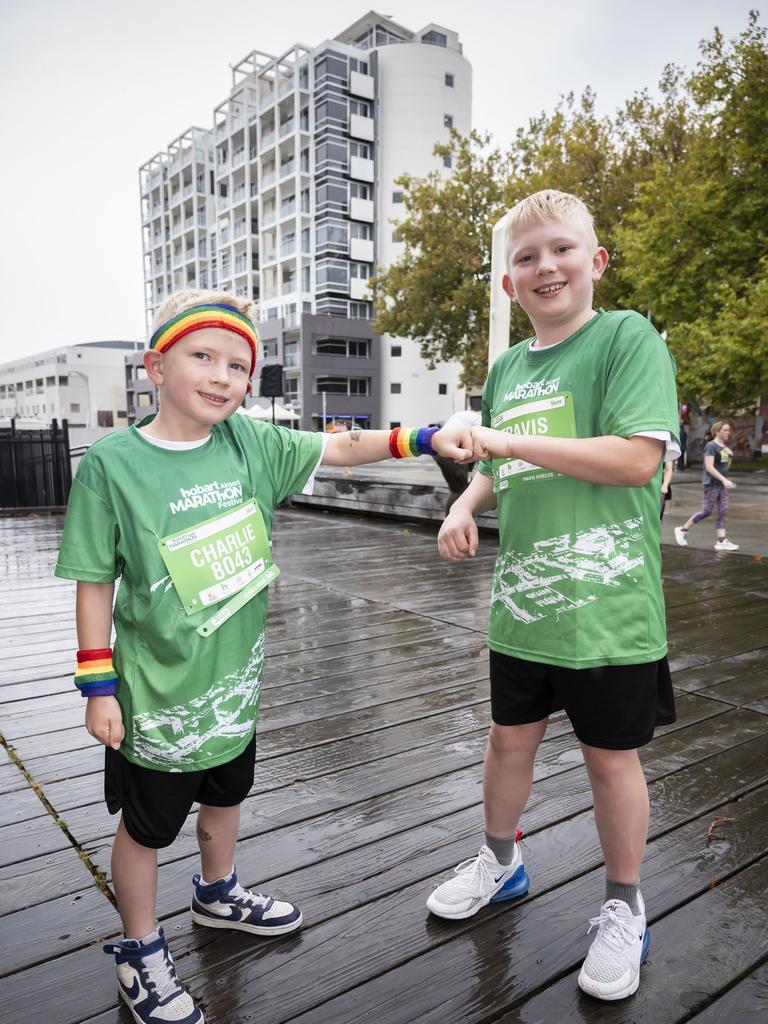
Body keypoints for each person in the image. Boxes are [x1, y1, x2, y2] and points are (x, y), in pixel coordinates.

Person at [55, 290, 472, 1024]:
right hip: (157, 696)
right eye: (203, 357)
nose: (222, 376)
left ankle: (217, 894)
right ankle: (140, 949)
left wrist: (424, 437)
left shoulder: (252, 443)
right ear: (157, 365)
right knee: (147, 827)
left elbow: (342, 447)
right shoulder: (113, 465)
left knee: (226, 798)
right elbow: (94, 577)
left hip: (235, 689)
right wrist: (98, 684)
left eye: (239, 366)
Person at [426, 190, 680, 1003]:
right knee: (507, 744)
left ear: (595, 261)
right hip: (524, 608)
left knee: (612, 762)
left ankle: (624, 906)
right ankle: (500, 862)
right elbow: (503, 468)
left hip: (610, 612)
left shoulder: (625, 338)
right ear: (508, 284)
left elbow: (638, 458)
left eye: (562, 249)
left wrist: (501, 439)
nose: (546, 267)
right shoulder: (507, 368)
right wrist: (465, 502)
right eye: (527, 257)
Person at [674, 421, 738, 551]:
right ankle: (682, 529)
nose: (728, 432)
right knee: (706, 511)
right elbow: (709, 467)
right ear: (717, 431)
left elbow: (725, 467)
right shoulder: (711, 446)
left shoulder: (723, 447)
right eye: (725, 430)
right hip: (711, 484)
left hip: (721, 484)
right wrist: (724, 480)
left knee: (723, 511)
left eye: (728, 430)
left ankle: (721, 541)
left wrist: (730, 456)